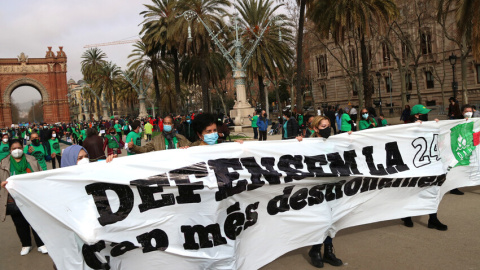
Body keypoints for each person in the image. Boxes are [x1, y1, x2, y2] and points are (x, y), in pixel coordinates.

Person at [295, 117, 343, 268]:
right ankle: (316, 250)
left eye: (329, 126)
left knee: (332, 219)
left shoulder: (335, 142)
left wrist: (351, 136)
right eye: (324, 126)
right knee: (324, 220)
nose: (327, 128)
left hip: (334, 186)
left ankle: (328, 251)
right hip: (316, 188)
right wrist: (295, 143)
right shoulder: (307, 143)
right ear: (316, 129)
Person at [401, 104, 447, 230]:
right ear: (416, 115)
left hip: (429, 165)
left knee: (432, 190)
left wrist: (437, 126)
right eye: (423, 113)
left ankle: (433, 219)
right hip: (414, 166)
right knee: (412, 191)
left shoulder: (427, 126)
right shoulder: (407, 127)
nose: (427, 115)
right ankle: (407, 216)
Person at [0, 139, 47, 255]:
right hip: (13, 199)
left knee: (36, 221)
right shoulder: (3, 163)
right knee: (20, 223)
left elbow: (40, 174)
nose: (17, 150)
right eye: (13, 148)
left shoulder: (31, 160)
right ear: (10, 150)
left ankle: (41, 244)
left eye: (19, 148)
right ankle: (26, 244)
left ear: (23, 148)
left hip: (32, 197)